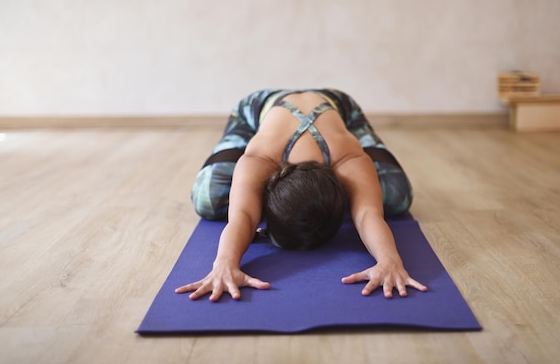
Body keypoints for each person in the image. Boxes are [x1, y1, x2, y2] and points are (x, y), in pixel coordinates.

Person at [175, 89, 427, 301]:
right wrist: (224, 264)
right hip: (262, 110)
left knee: (396, 197)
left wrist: (389, 260)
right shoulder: (258, 158)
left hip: (334, 112)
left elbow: (366, 215)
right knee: (210, 199)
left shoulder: (350, 157)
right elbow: (243, 217)